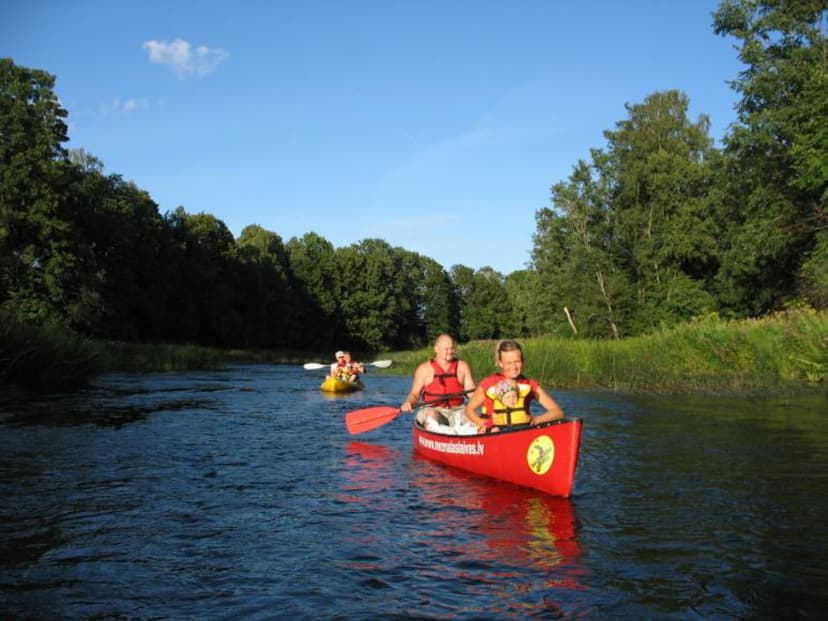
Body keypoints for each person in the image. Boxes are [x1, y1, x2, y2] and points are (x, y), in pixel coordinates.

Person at [465, 339, 564, 434]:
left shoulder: (530, 385)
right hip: (493, 432)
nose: (514, 367)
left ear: (523, 361)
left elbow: (557, 412)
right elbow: (469, 410)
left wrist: (538, 419)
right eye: (508, 363)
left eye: (517, 361)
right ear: (500, 363)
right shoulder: (488, 383)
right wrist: (484, 424)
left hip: (521, 432)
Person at [400, 334, 477, 435]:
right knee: (432, 417)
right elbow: (414, 394)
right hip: (433, 409)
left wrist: (487, 395)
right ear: (436, 349)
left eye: (452, 348)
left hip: (458, 411)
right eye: (446, 349)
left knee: (476, 421)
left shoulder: (462, 366)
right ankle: (434, 436)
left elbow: (472, 393)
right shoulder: (424, 369)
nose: (450, 351)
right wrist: (409, 403)